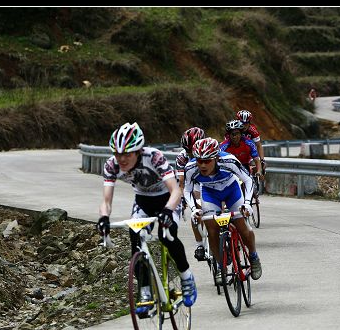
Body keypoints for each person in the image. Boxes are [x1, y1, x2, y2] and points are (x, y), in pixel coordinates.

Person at [97, 122, 197, 306]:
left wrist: (168, 210)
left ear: (138, 152)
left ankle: (186, 276)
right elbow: (106, 200)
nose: (122, 159)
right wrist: (104, 218)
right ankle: (145, 290)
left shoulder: (154, 157)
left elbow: (175, 190)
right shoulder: (112, 165)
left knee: (167, 235)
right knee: (136, 239)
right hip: (143, 201)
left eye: (127, 154)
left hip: (167, 199)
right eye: (118, 154)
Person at [183, 137, 262, 284]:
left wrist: (247, 204)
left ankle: (253, 256)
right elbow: (187, 190)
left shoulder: (229, 161)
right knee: (212, 230)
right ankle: (221, 267)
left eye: (207, 161)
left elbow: (247, 180)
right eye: (199, 160)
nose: (203, 165)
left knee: (242, 227)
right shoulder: (190, 168)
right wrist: (194, 209)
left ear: (216, 158)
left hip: (231, 190)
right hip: (210, 193)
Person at [175, 127, 209, 261]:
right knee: (196, 212)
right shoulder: (182, 158)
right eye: (187, 150)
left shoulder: (211, 149)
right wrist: (182, 200)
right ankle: (200, 245)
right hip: (194, 182)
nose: (190, 154)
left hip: (211, 179)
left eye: (192, 150)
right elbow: (181, 182)